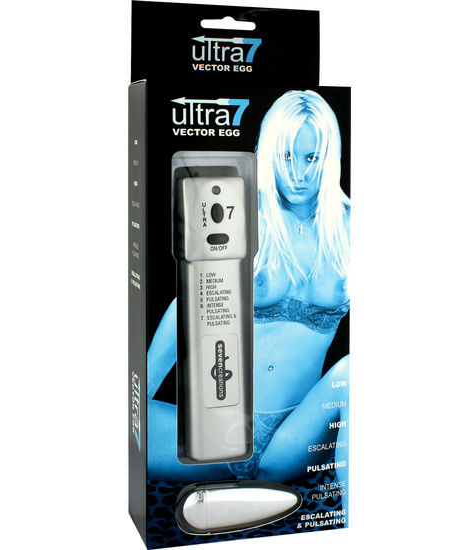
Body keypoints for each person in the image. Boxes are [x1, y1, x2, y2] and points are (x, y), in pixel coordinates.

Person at [147, 91, 350, 509]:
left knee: (355, 370)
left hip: (296, 437)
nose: (297, 173)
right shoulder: (240, 214)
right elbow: (187, 305)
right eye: (286, 156)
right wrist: (138, 397)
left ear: (329, 158)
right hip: (219, 434)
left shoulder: (352, 230)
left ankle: (355, 521)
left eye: (311, 158)